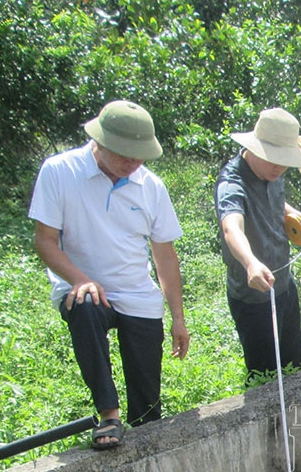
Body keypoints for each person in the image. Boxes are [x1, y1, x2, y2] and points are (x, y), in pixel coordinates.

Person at [29, 100, 189, 450]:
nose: (132, 163)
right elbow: (45, 241)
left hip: (136, 291)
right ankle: (109, 414)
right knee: (85, 304)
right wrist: (79, 278)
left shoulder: (151, 186)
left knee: (147, 403)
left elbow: (165, 256)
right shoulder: (60, 171)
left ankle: (147, 436)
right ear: (99, 142)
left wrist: (178, 318)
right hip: (83, 286)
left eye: (139, 156)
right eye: (124, 155)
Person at [215, 107, 301, 385]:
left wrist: (300, 217)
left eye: (284, 161)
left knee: (293, 370)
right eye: (273, 159)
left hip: (284, 285)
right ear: (254, 148)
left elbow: (277, 206)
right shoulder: (232, 182)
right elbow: (231, 226)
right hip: (254, 296)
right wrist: (250, 262)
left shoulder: (273, 173)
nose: (279, 167)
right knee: (265, 380)